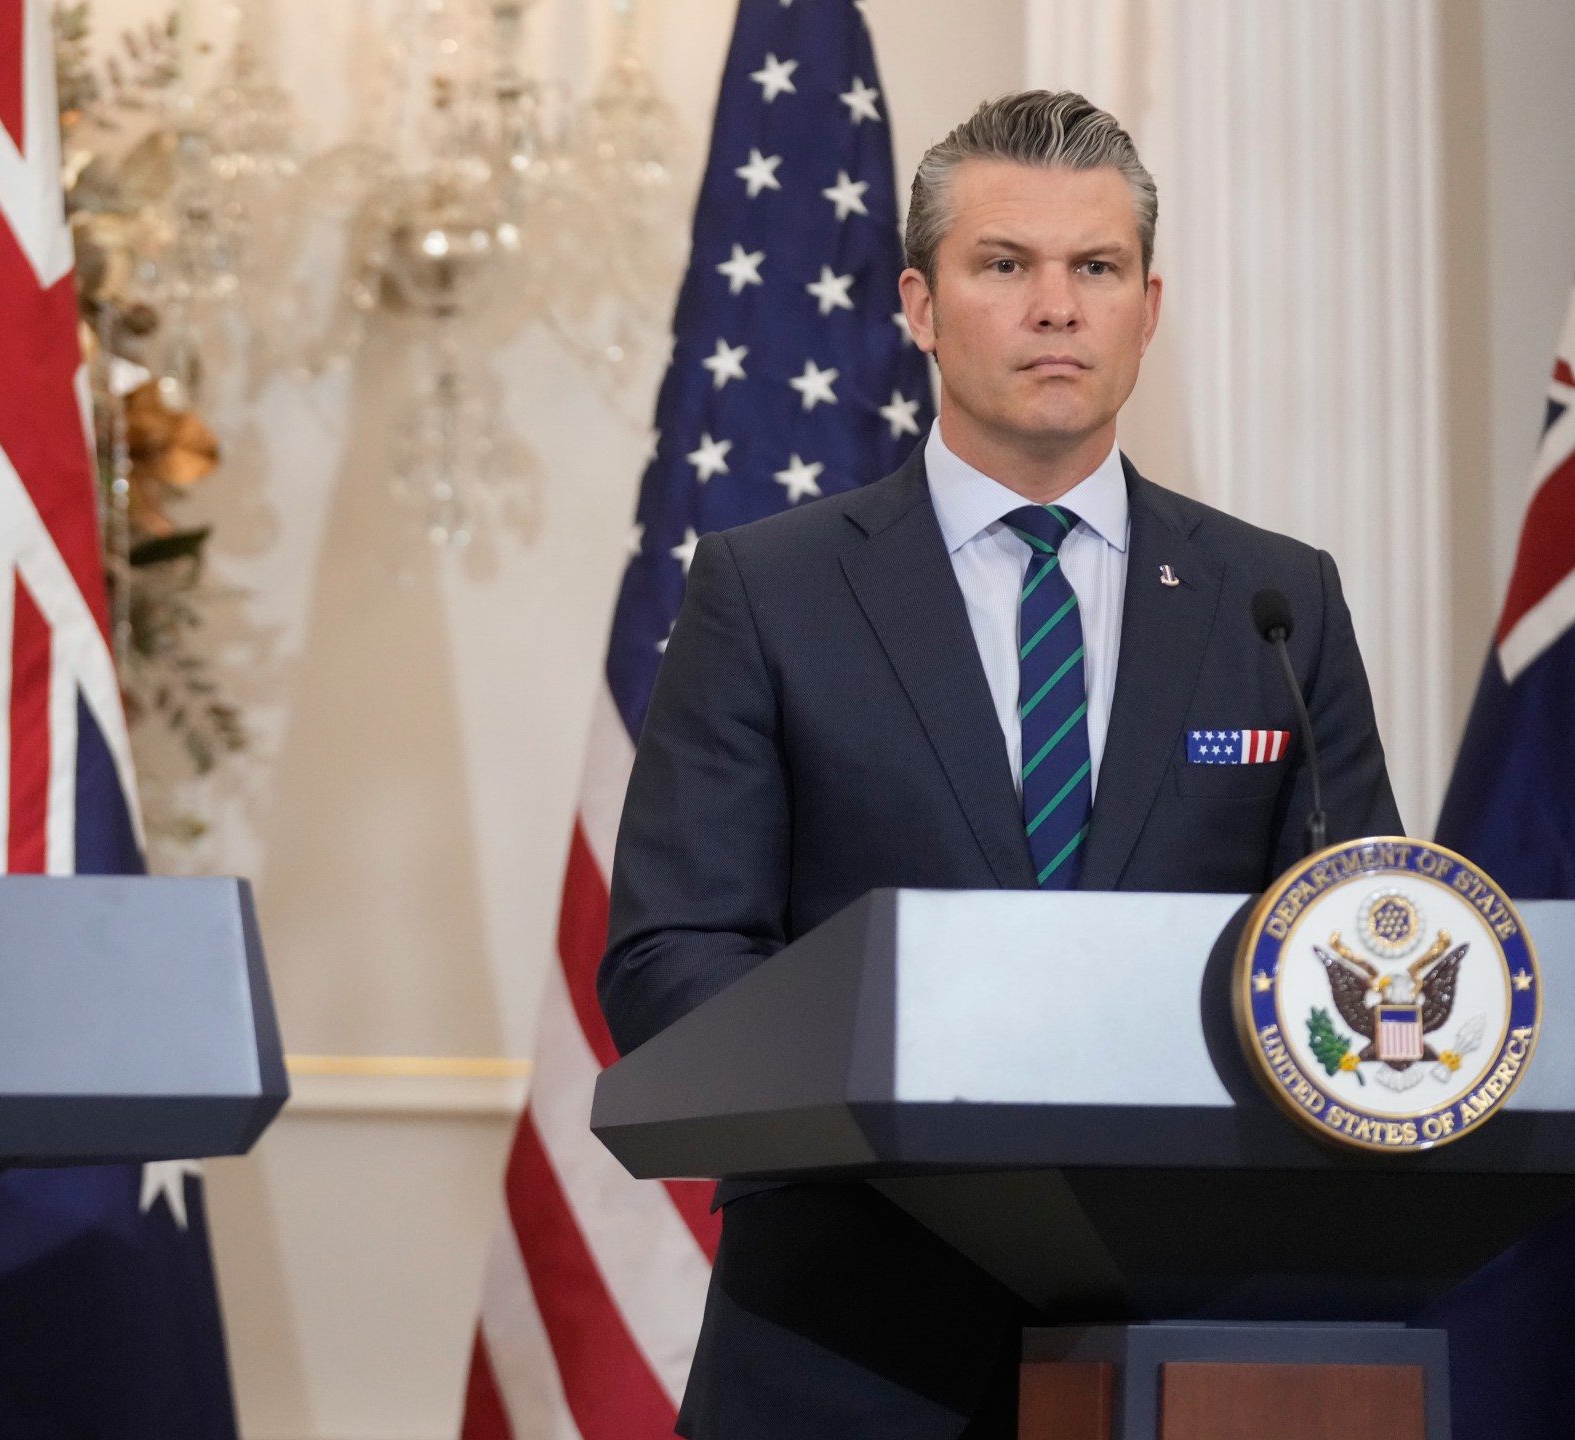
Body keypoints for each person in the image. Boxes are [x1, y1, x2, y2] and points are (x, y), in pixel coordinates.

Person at [599, 90, 1402, 1439]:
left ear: (1148, 309)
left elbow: (1352, 942)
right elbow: (674, 954)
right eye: (1004, 266)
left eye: (1095, 269)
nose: (1055, 307)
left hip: (1198, 1332)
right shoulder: (768, 591)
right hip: (846, 1334)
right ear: (919, 304)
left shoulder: (1274, 601)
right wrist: (897, 1096)